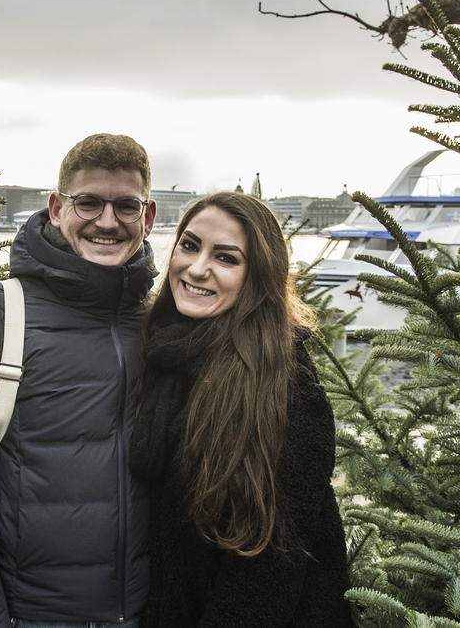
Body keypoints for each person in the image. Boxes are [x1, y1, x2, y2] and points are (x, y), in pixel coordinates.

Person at [0, 133, 158, 628]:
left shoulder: (159, 324)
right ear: (56, 208)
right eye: (88, 203)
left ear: (148, 217)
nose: (107, 222)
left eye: (126, 206)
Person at [129, 192, 352, 627]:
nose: (196, 268)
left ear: (258, 277)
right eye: (190, 245)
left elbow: (270, 574)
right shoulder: (162, 351)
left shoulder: (286, 389)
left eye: (226, 258)